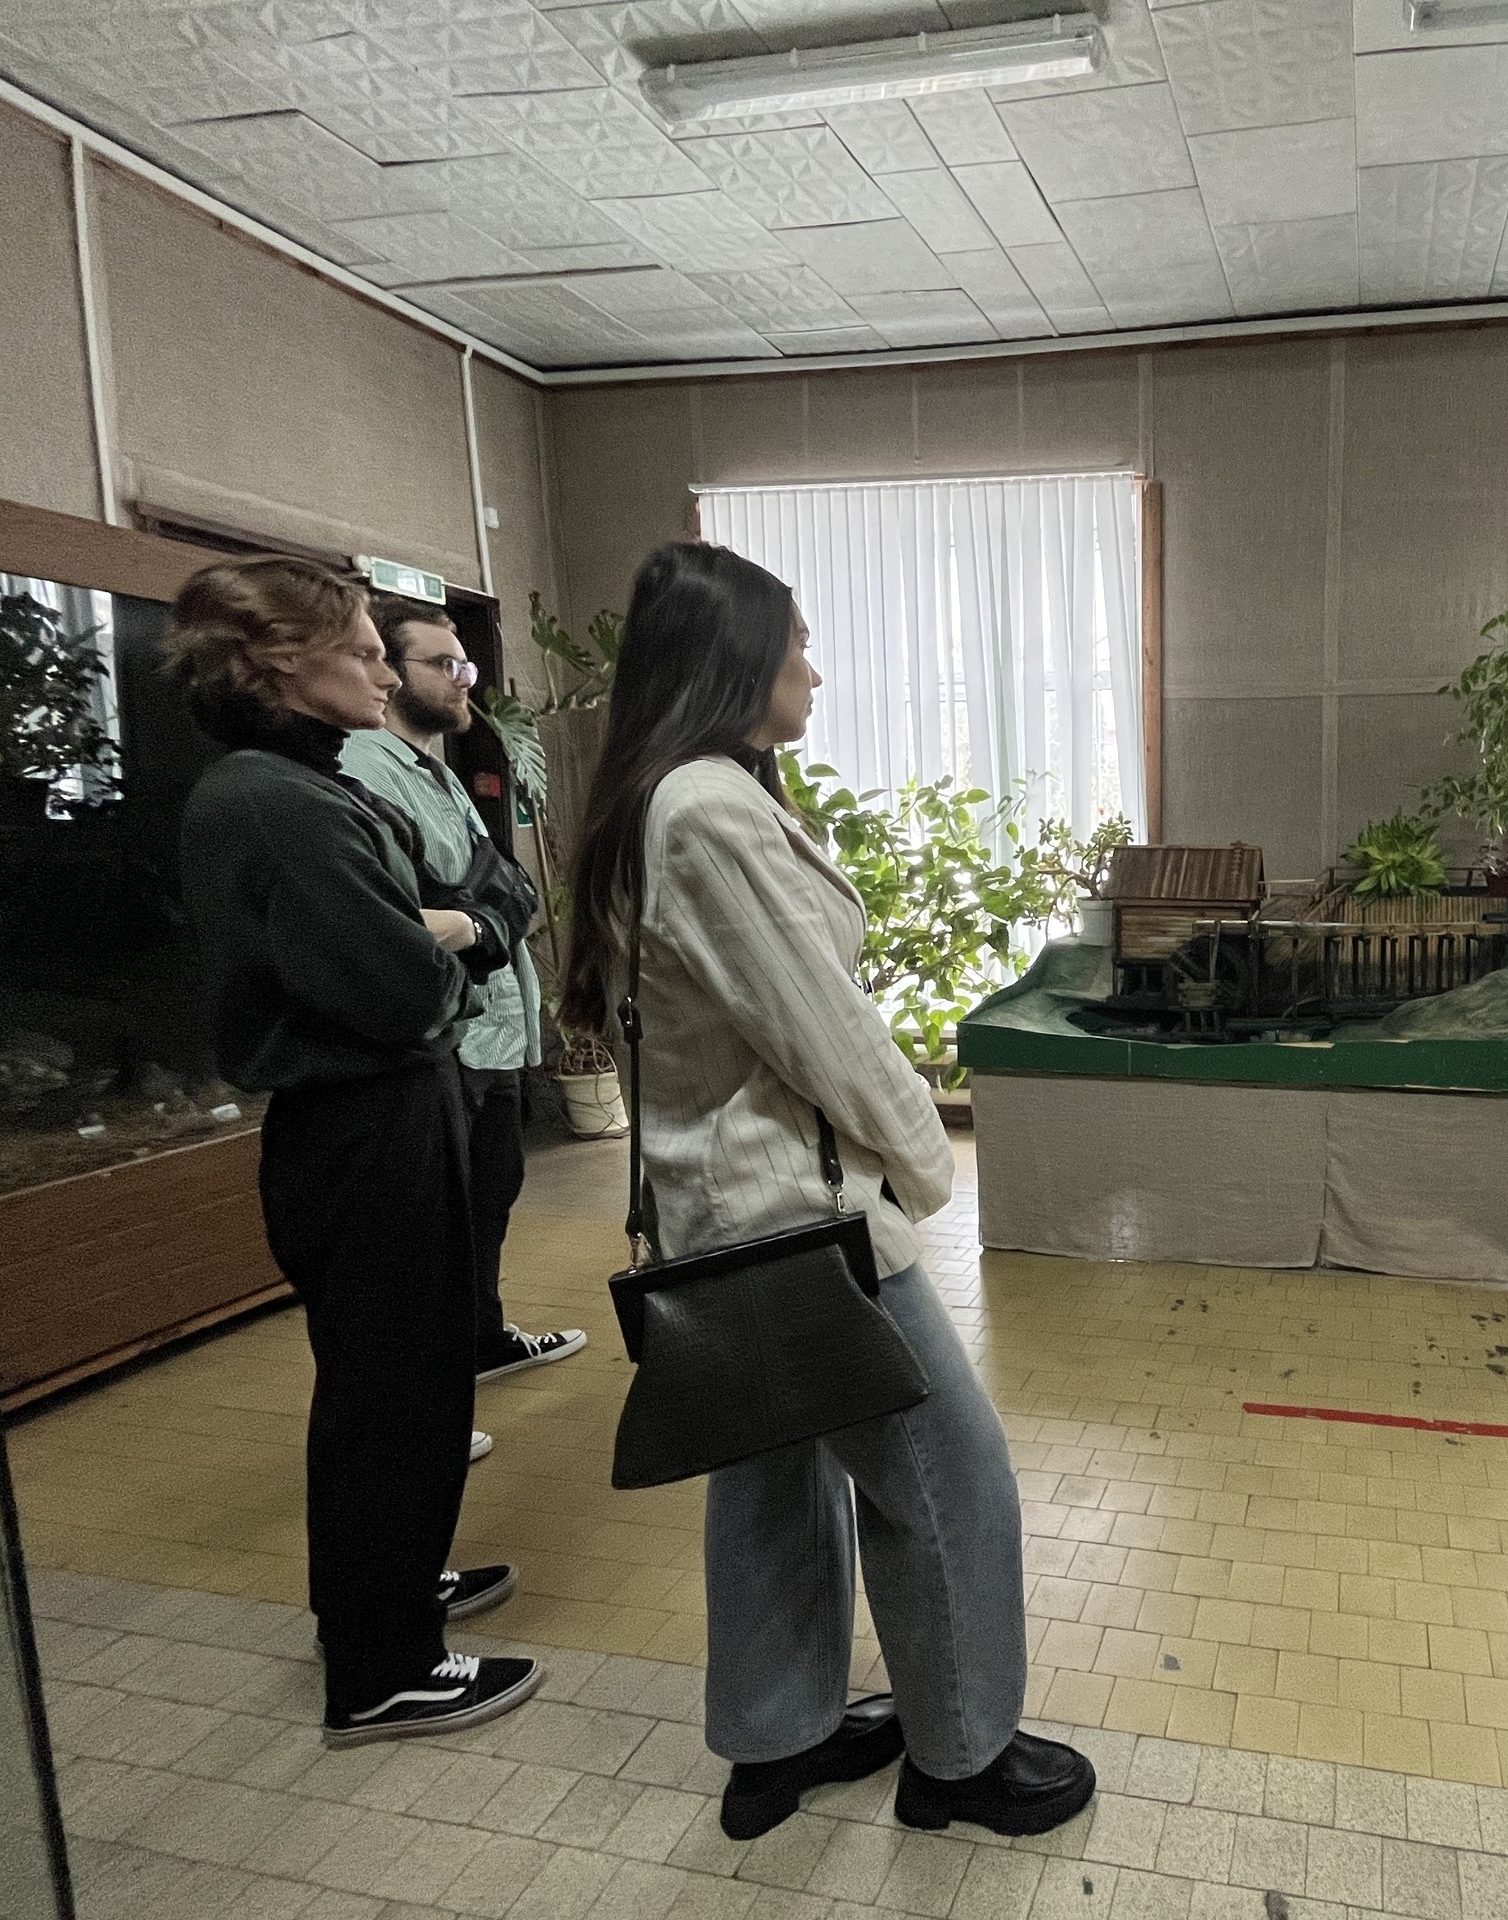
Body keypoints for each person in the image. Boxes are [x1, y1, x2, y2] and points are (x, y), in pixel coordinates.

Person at [561, 541, 1092, 1843]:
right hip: (797, 1216)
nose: (813, 668)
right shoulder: (709, 809)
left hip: (721, 1214)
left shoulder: (663, 797)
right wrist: (927, 1162)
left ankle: (777, 1741)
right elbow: (824, 1031)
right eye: (797, 643)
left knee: (773, 1479)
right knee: (951, 1479)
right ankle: (960, 1757)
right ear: (736, 657)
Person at [167, 556, 541, 1746]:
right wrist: (452, 942)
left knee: (407, 1381)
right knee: (391, 1393)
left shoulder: (304, 784)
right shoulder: (274, 801)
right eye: (366, 651)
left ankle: (387, 1593)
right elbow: (405, 985)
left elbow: (472, 907)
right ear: (282, 661)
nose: (386, 673)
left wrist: (450, 930)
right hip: (363, 1121)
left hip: (386, 1114)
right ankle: (383, 1667)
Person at [342, 597, 586, 1427]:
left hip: (494, 1027)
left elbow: (497, 893)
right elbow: (413, 910)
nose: (462, 680)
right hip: (445, 1033)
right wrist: (482, 915)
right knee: (434, 1228)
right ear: (390, 671)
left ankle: (482, 1341)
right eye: (442, 665)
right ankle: (429, 1403)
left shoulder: (434, 767)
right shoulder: (364, 767)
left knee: (490, 1198)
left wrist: (483, 914)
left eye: (465, 664)